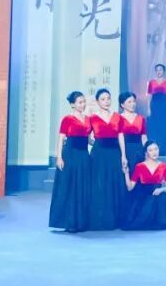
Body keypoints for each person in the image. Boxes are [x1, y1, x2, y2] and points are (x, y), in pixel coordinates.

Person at [48, 91, 93, 233]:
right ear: (73, 104)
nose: (83, 104)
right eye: (80, 102)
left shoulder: (88, 119)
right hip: (70, 154)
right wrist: (59, 157)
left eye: (84, 102)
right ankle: (69, 221)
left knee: (82, 186)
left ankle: (81, 221)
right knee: (70, 186)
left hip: (83, 155)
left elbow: (89, 139)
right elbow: (61, 138)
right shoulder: (67, 119)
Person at [121, 141, 166, 231]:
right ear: (146, 153)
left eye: (156, 149)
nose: (154, 152)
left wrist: (161, 190)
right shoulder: (139, 166)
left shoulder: (164, 166)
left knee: (161, 197)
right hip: (144, 197)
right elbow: (130, 187)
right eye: (151, 150)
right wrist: (126, 174)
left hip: (157, 194)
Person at [88, 88, 127, 230]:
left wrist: (123, 155)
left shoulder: (118, 117)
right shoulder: (92, 118)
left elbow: (121, 136)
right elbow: (87, 137)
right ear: (97, 101)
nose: (106, 101)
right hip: (99, 154)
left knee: (114, 182)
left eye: (108, 98)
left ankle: (115, 218)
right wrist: (96, 143)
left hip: (114, 152)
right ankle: (99, 217)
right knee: (99, 183)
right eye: (103, 99)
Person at [147, 64, 166, 155]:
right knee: (155, 126)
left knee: (165, 126)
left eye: (160, 70)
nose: (159, 72)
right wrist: (148, 108)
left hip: (164, 106)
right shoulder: (152, 82)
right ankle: (155, 148)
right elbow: (149, 96)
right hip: (155, 106)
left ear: (164, 71)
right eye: (157, 70)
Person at [118, 91, 147, 177]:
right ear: (122, 105)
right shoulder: (119, 118)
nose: (133, 104)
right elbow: (120, 136)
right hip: (125, 148)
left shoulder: (141, 118)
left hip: (139, 149)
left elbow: (144, 137)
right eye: (129, 102)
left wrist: (146, 152)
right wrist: (123, 155)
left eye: (134, 101)